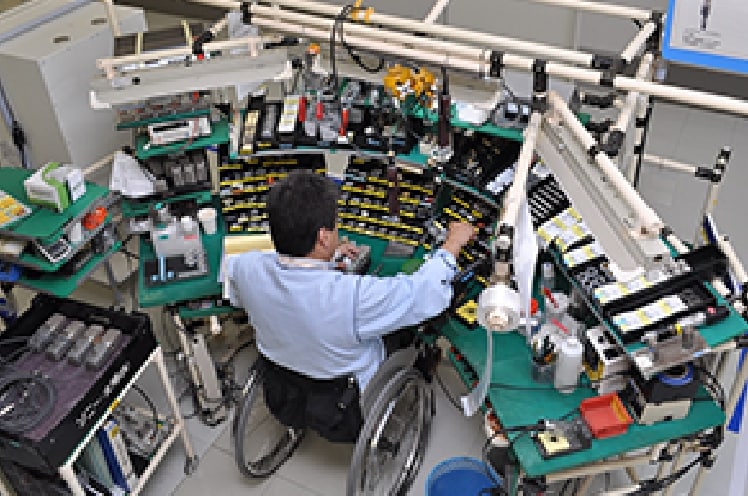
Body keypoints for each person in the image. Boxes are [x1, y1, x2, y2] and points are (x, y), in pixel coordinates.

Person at [226, 170, 475, 393]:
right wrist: (453, 243)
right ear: (323, 237)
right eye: (335, 227)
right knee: (409, 329)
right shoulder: (352, 297)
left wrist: (327, 258)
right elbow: (425, 293)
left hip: (283, 386)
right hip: (343, 399)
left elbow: (263, 279)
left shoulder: (244, 266)